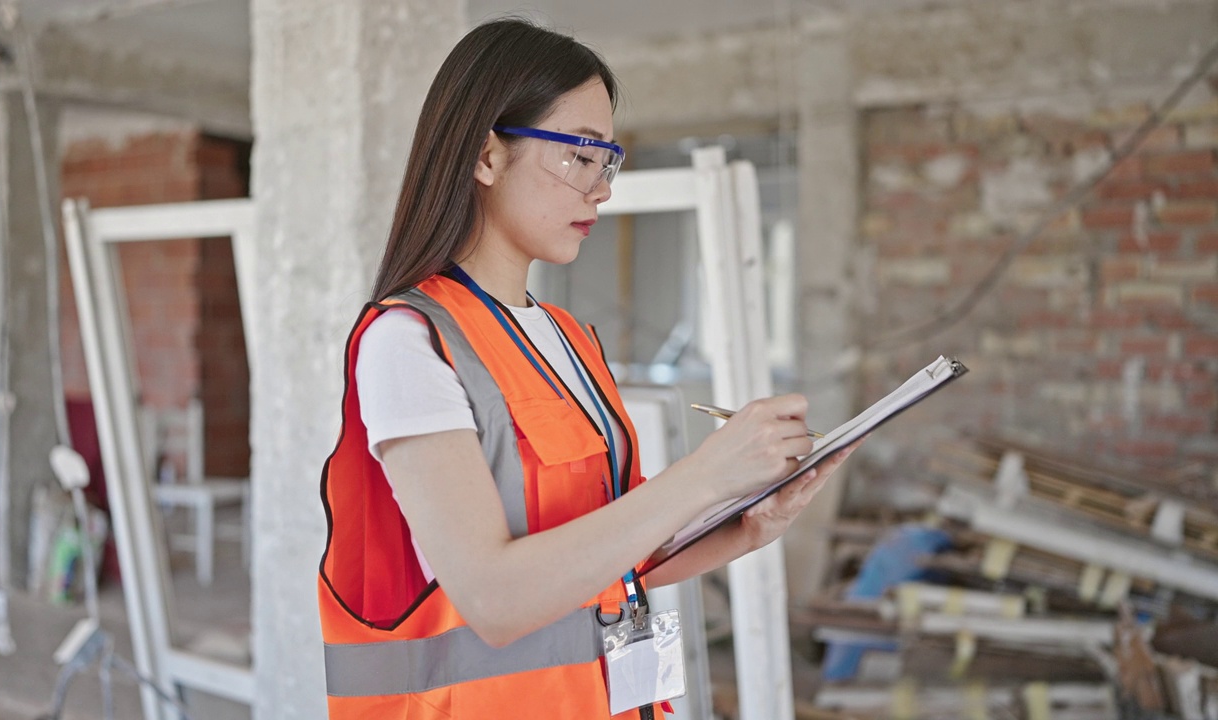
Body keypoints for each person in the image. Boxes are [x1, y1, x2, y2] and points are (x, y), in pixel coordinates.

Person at [318, 17, 859, 720]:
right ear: (486, 155)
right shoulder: (409, 341)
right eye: (580, 156)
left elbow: (612, 555)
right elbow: (494, 599)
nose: (602, 189)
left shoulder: (568, 339)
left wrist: (746, 523)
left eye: (608, 160)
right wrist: (704, 473)